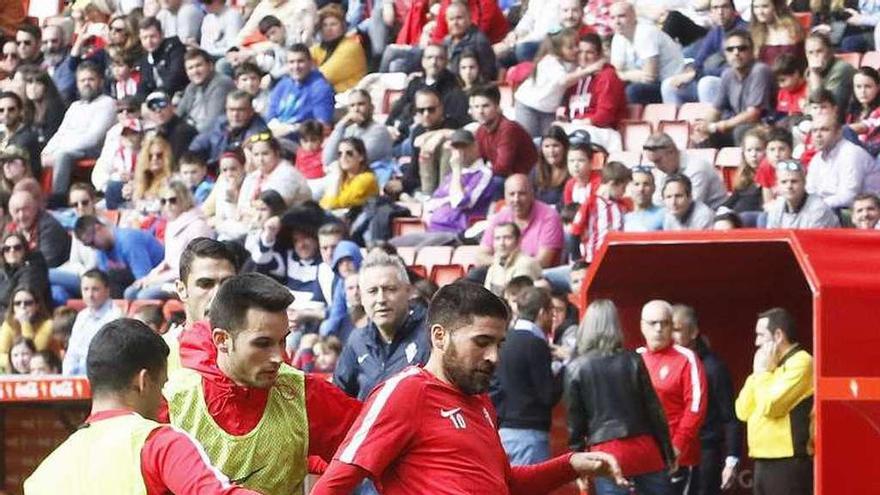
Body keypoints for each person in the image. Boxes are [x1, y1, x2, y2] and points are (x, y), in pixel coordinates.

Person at [312, 281, 627, 494]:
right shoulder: (406, 392)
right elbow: (337, 482)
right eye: (481, 342)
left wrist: (570, 464)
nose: (494, 356)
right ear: (439, 336)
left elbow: (506, 483)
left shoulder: (481, 402)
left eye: (499, 344)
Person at [162, 273, 362, 493]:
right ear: (222, 340)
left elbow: (373, 446)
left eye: (283, 340)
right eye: (263, 343)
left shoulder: (304, 393)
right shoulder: (173, 400)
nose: (279, 356)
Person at [25, 318, 262, 494]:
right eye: (162, 386)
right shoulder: (158, 443)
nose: (162, 400)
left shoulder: (42, 475)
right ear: (143, 381)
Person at [566, 299, 675, 495]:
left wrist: (579, 462)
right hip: (644, 447)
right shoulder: (633, 359)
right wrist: (668, 452)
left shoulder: (576, 368)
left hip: (606, 451)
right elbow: (654, 411)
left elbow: (576, 424)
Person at [735, 308, 814, 495]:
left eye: (761, 335)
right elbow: (742, 411)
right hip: (762, 457)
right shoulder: (769, 367)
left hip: (787, 460)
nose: (756, 342)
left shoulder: (801, 362)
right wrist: (757, 374)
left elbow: (771, 406)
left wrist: (763, 374)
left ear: (778, 335)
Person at [334, 251, 431, 400]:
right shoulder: (357, 341)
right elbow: (338, 400)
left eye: (390, 289)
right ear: (363, 298)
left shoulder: (430, 337)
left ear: (408, 291)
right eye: (372, 291)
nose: (381, 299)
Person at [638, 299, 708, 495]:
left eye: (665, 323)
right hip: (644, 459)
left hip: (679, 458)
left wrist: (677, 446)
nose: (659, 329)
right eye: (653, 323)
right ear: (642, 326)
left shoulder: (687, 358)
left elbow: (695, 408)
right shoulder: (635, 360)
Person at [672, 305, 743, 495]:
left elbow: (730, 417)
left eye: (676, 330)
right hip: (672, 452)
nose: (670, 336)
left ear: (693, 332)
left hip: (705, 454)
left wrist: (732, 459)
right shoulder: (664, 364)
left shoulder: (712, 368)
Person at [494, 287, 562, 466]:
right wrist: (565, 368)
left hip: (504, 433)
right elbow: (547, 395)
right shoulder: (536, 343)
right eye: (550, 312)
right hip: (529, 435)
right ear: (541, 312)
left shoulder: (504, 341)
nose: (552, 318)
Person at [40, 61, 116, 207]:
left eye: (91, 79)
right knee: (41, 157)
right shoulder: (75, 107)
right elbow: (60, 133)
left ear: (100, 82)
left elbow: (93, 138)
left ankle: (58, 199)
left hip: (95, 151)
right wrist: (46, 152)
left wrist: (58, 152)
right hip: (70, 150)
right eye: (82, 80)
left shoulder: (107, 103)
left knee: (63, 155)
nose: (86, 83)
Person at [125, 181, 215, 300]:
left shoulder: (198, 226)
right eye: (163, 201)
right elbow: (168, 261)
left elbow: (193, 266)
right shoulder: (172, 224)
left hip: (189, 281)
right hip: (171, 278)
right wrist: (149, 278)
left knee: (144, 295)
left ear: (184, 199)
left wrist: (155, 280)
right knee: (130, 292)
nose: (167, 205)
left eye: (173, 200)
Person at [164, 237, 240, 374]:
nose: (218, 294)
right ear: (182, 290)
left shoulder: (257, 351)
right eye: (206, 284)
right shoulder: (161, 355)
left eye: (227, 284)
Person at [661, 0, 749, 106]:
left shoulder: (744, 30)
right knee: (669, 85)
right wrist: (691, 73)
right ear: (711, 12)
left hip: (738, 84)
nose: (720, 12)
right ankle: (676, 122)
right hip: (714, 79)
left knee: (706, 83)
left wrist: (697, 74)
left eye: (724, 7)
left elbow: (737, 68)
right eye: (715, 8)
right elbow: (699, 61)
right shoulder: (716, 31)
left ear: (734, 10)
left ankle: (710, 121)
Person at [695, 31, 773, 147]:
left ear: (752, 52)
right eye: (730, 49)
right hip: (739, 125)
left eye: (742, 48)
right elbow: (716, 110)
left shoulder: (760, 71)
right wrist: (705, 126)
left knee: (740, 131)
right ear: (725, 54)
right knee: (703, 136)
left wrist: (717, 126)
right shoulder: (727, 74)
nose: (736, 53)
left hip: (765, 126)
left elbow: (753, 114)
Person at [386, 44, 469, 146]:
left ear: (446, 62)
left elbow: (454, 122)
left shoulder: (453, 89)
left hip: (427, 137)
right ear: (423, 61)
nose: (433, 62)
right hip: (401, 132)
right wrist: (389, 127)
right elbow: (398, 108)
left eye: (439, 58)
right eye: (429, 58)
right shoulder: (414, 83)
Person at [479, 174, 564, 269]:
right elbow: (481, 257)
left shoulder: (549, 216)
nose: (516, 199)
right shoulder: (501, 216)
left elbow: (543, 262)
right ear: (505, 196)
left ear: (532, 194)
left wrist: (510, 264)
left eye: (522, 194)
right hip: (503, 269)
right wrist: (501, 262)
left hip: (536, 275)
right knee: (476, 274)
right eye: (512, 194)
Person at [609, 1, 684, 105]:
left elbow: (650, 77)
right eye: (612, 18)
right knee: (613, 87)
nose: (617, 22)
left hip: (672, 84)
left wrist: (623, 75)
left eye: (621, 16)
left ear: (633, 16)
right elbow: (614, 72)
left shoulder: (645, 33)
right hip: (650, 83)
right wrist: (627, 75)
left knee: (633, 91)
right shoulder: (618, 37)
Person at [74, 215, 165, 298]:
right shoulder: (101, 250)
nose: (93, 247)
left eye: (92, 242)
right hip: (133, 281)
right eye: (88, 245)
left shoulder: (128, 241)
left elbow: (144, 278)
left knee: (133, 294)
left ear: (98, 229)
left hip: (159, 277)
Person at [807, 112, 880, 210]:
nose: (818, 135)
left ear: (838, 132)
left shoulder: (851, 153)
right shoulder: (816, 159)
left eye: (824, 130)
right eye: (814, 131)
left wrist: (815, 206)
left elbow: (848, 197)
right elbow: (810, 191)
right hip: (829, 208)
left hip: (863, 212)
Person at [558, 32, 628, 134]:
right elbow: (564, 110)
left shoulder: (608, 76)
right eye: (580, 52)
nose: (583, 57)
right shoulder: (576, 76)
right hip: (574, 127)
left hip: (602, 131)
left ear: (599, 54)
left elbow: (605, 116)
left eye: (589, 52)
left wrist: (576, 125)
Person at [62, 269, 124, 376]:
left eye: (95, 289)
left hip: (102, 375)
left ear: (107, 290)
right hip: (77, 375)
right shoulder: (82, 316)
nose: (90, 294)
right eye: (85, 289)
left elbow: (110, 356)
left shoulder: (116, 316)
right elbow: (72, 353)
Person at [266, 44, 335, 140]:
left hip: (302, 142)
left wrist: (291, 128)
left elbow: (323, 126)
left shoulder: (321, 88)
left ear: (311, 63)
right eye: (291, 62)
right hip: (275, 138)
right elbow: (270, 116)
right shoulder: (283, 84)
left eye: (300, 61)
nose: (296, 66)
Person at [568, 161, 631, 263]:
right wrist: (577, 259)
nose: (624, 192)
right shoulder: (591, 203)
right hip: (593, 259)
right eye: (623, 188)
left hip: (616, 259)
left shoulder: (622, 205)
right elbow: (575, 231)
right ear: (612, 184)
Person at [644, 133, 727, 209]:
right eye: (653, 162)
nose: (656, 166)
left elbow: (690, 208)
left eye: (658, 161)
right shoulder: (662, 169)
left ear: (671, 152)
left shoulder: (697, 168)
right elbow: (657, 203)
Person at [189, 90, 269, 165]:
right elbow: (200, 142)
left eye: (240, 110)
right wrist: (192, 158)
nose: (235, 115)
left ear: (251, 111)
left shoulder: (258, 132)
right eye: (231, 110)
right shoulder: (220, 123)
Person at [322, 89, 393, 167]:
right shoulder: (347, 130)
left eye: (361, 104)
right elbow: (327, 160)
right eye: (352, 105)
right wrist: (341, 125)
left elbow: (356, 163)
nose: (356, 109)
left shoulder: (379, 131)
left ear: (372, 108)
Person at [238, 132, 311, 208]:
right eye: (256, 155)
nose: (260, 159)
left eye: (265, 153)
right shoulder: (253, 176)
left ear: (277, 153)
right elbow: (240, 206)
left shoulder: (287, 173)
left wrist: (249, 205)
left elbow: (272, 208)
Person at [765, 160, 840, 228]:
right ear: (777, 185)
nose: (789, 186)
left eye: (794, 181)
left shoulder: (818, 209)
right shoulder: (776, 207)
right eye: (784, 182)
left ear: (804, 183)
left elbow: (812, 241)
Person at [310, 4, 367, 93]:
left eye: (333, 24)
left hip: (349, 97)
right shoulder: (317, 48)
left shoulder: (351, 47)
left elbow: (324, 76)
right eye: (325, 25)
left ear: (343, 26)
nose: (328, 29)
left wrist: (311, 69)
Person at [176, 48, 235, 134]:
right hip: (188, 131)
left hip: (208, 137)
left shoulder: (221, 84)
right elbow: (178, 114)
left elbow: (212, 123)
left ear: (210, 66)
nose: (195, 71)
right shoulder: (191, 86)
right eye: (190, 68)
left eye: (199, 65)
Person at [6, 189, 70, 268]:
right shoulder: (11, 229)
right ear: (10, 213)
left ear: (35, 208)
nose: (21, 215)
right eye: (16, 211)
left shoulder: (49, 228)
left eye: (26, 209)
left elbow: (46, 264)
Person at [0, 286, 52, 374]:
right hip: (15, 370)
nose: (22, 306)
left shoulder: (48, 325)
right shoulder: (8, 324)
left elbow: (35, 351)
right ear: (12, 307)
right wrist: (16, 361)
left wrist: (25, 322)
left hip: (42, 371)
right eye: (17, 303)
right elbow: (1, 353)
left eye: (28, 303)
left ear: (37, 306)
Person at [320, 137, 380, 211]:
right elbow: (323, 204)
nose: (343, 157)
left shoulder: (367, 178)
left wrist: (336, 178)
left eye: (349, 153)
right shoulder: (343, 177)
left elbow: (332, 205)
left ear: (361, 157)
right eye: (340, 154)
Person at [805, 32, 855, 119]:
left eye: (819, 51)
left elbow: (824, 108)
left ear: (830, 51)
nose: (815, 56)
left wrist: (815, 74)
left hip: (838, 121)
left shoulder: (842, 69)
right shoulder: (810, 72)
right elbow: (807, 106)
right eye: (810, 52)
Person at [484, 222, 542, 297]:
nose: (501, 243)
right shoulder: (495, 265)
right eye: (497, 238)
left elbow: (520, 300)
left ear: (518, 240)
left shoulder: (526, 263)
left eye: (507, 238)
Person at [443, 0, 497, 82]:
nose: (455, 23)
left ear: (469, 18)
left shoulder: (479, 41)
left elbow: (487, 72)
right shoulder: (446, 41)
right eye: (451, 19)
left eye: (459, 18)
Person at [136, 16, 188, 95]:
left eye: (152, 36)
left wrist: (155, 95)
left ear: (162, 35)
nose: (149, 41)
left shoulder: (174, 48)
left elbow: (175, 77)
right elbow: (143, 86)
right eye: (144, 38)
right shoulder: (144, 59)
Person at [0, 231, 49, 315]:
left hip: (28, 319)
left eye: (17, 247)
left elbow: (20, 301)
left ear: (25, 250)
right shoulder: (4, 271)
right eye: (7, 249)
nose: (12, 251)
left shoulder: (33, 270)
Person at [144, 90, 199, 162]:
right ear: (149, 113)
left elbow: (176, 164)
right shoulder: (159, 132)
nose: (158, 110)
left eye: (162, 104)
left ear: (172, 107)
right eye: (153, 107)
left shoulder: (182, 131)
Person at [749, 0, 803, 67]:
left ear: (776, 7)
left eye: (765, 6)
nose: (760, 12)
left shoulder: (791, 29)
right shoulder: (754, 33)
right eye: (756, 7)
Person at [0, 91, 39, 177]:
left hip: (24, 185)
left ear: (20, 111)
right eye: (1, 110)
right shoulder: (2, 135)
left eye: (11, 109)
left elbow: (10, 155)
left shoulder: (27, 136)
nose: (6, 114)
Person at [624, 166, 664, 232]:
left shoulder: (664, 215)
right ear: (630, 187)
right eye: (636, 184)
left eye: (646, 184)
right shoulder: (623, 219)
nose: (641, 189)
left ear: (654, 188)